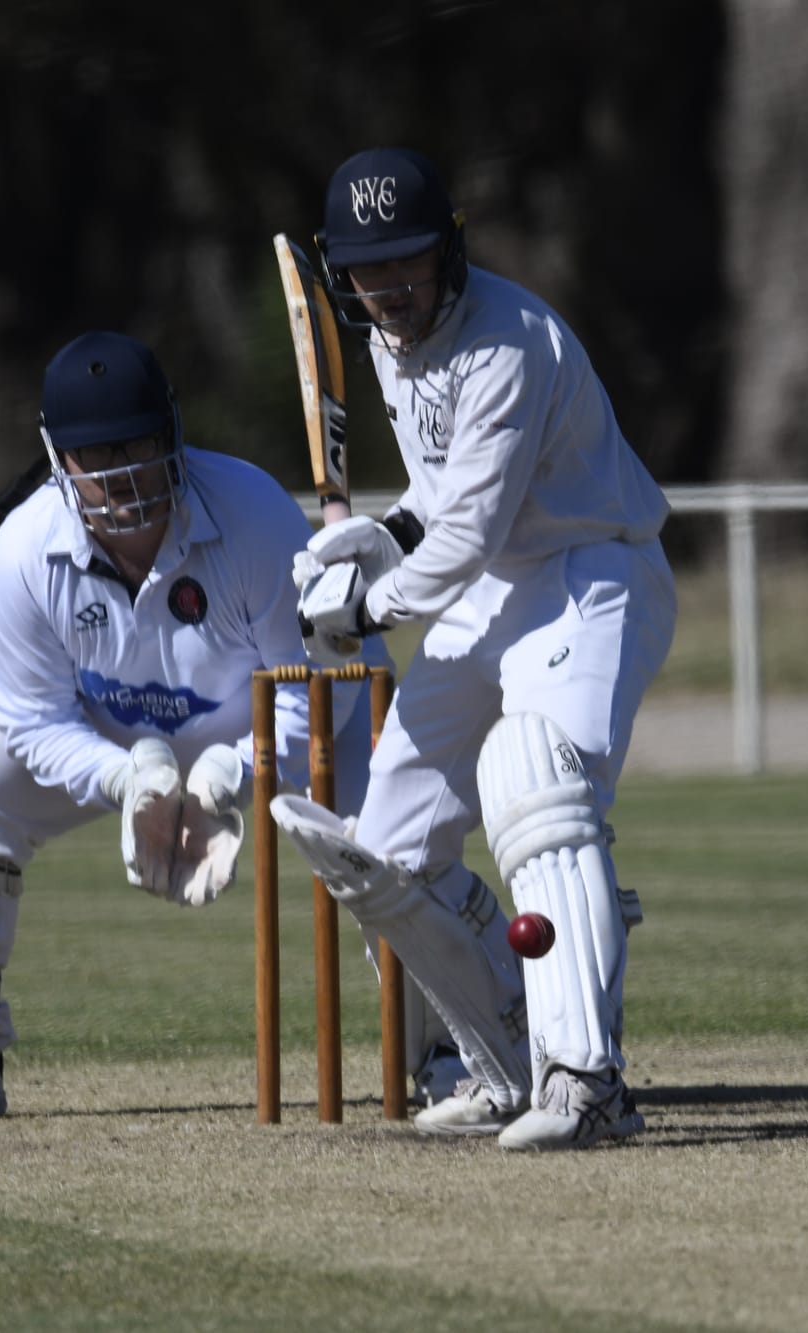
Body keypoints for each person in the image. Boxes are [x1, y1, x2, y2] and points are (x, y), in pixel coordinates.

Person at [272, 148, 676, 1151]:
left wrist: (363, 611)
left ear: (447, 249)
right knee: (388, 846)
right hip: (490, 585)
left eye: (409, 263)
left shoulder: (507, 343)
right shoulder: (384, 340)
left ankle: (587, 1083)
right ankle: (501, 1063)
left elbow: (474, 531)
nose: (391, 289)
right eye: (370, 273)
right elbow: (441, 502)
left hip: (587, 573)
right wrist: (377, 538)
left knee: (533, 784)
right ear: (342, 276)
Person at [0, 330, 384, 1122]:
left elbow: (318, 690)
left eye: (139, 446)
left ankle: (443, 1049)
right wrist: (124, 776)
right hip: (111, 735)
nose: (122, 475)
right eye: (96, 455)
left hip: (282, 719)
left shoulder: (251, 515)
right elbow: (26, 716)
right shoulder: (21, 553)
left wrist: (235, 771)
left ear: (172, 433)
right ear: (57, 458)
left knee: (391, 809)